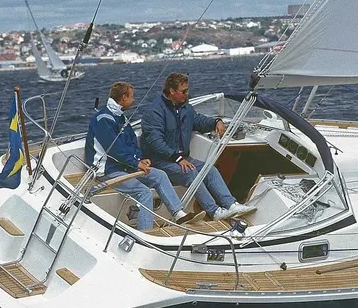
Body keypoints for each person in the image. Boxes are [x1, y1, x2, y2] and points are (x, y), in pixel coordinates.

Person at [85, 81, 198, 231]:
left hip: (125, 167)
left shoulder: (120, 117)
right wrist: (135, 163)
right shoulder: (103, 119)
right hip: (107, 171)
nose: (134, 100)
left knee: (160, 175)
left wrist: (139, 159)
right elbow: (114, 149)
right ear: (123, 97)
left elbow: (131, 143)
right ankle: (145, 232)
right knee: (143, 192)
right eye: (132, 97)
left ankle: (178, 214)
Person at [141, 72, 254, 220]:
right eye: (184, 91)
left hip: (181, 157)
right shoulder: (154, 111)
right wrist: (177, 158)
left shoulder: (186, 108)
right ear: (172, 91)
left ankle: (231, 204)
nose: (187, 94)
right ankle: (214, 212)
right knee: (190, 172)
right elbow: (155, 142)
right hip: (161, 161)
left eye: (188, 91)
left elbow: (198, 121)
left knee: (210, 170)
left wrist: (216, 122)